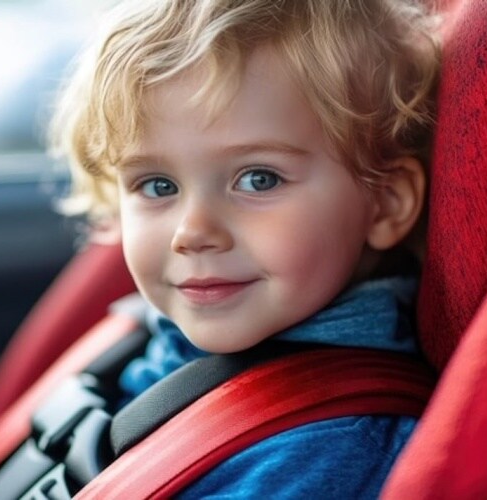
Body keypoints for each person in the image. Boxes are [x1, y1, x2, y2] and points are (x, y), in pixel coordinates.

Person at [51, 0, 440, 497]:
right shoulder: (155, 333)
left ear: (384, 203)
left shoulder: (318, 456)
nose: (190, 232)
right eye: (157, 186)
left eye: (258, 179)